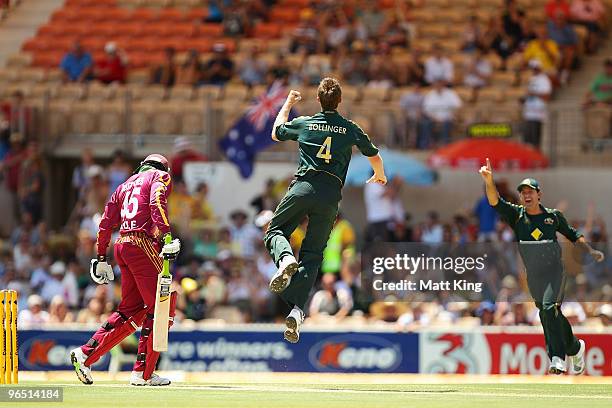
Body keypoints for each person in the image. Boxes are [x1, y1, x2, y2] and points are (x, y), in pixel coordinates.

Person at [264, 77, 386, 343]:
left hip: (304, 186)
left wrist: (288, 103)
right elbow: (374, 155)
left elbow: (276, 131)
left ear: (318, 99)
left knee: (275, 231)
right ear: (339, 101)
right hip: (331, 196)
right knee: (313, 253)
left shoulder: (307, 122)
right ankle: (297, 310)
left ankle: (284, 258)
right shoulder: (349, 127)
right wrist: (379, 175)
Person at [478, 158, 604, 374]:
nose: (526, 195)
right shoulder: (516, 216)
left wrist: (590, 250)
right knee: (547, 313)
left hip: (555, 271)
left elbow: (573, 235)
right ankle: (575, 347)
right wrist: (489, 180)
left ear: (539, 195)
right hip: (534, 276)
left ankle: (556, 358)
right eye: (523, 192)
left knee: (548, 308)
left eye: (530, 191)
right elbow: (494, 201)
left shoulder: (552, 217)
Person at [69, 154, 181, 386]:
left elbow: (106, 222)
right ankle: (143, 373)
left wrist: (101, 256)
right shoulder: (159, 176)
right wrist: (167, 234)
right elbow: (156, 201)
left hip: (122, 245)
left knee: (131, 310)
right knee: (163, 304)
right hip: (142, 243)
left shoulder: (123, 186)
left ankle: (85, 354)